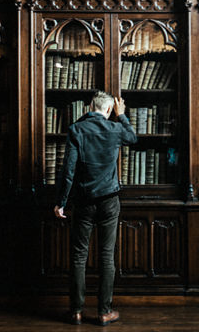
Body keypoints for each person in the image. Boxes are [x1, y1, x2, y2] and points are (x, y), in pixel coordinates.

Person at [54, 90, 137, 326]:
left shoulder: (76, 129)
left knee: (79, 256)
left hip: (83, 200)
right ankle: (104, 311)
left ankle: (76, 311)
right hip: (109, 199)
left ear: (90, 106)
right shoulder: (116, 128)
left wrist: (61, 202)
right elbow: (132, 138)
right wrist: (122, 116)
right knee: (106, 255)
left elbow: (68, 171)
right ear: (109, 109)